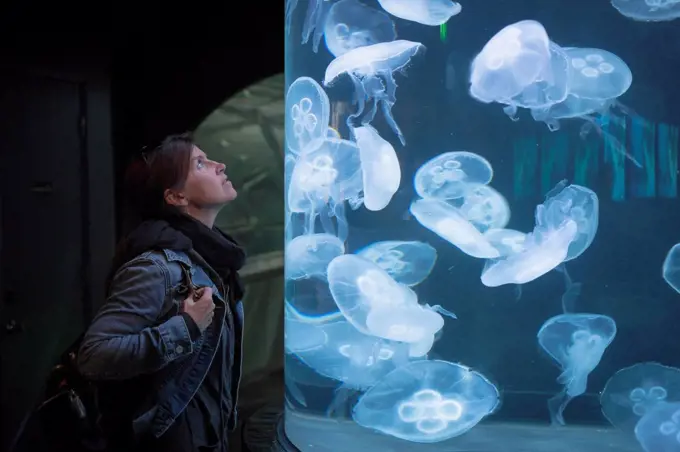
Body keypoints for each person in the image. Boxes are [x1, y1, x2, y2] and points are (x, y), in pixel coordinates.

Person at [76, 132, 246, 452]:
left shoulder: (214, 262)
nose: (219, 164)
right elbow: (93, 356)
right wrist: (185, 327)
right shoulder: (157, 268)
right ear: (176, 196)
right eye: (200, 163)